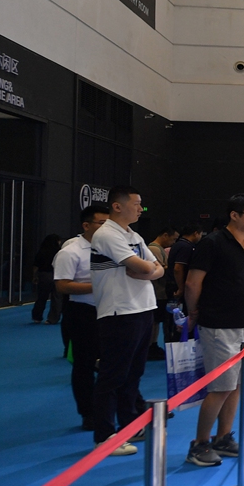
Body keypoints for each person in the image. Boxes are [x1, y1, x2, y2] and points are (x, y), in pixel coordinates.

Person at [184, 193, 244, 467]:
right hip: (219, 324)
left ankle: (223, 437)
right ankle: (200, 443)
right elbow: (193, 283)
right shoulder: (213, 243)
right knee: (220, 387)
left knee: (239, 385)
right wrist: (194, 312)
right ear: (234, 215)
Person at [89, 186, 164, 455]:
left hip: (142, 309)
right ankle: (105, 435)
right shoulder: (107, 234)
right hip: (119, 312)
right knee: (113, 375)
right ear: (118, 206)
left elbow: (157, 267)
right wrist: (148, 270)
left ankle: (130, 424)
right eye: (136, 203)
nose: (140, 208)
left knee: (134, 373)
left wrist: (147, 271)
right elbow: (146, 267)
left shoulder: (133, 234)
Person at [54, 204, 109, 430]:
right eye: (102, 224)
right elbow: (62, 286)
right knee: (84, 365)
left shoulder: (113, 247)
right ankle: (88, 412)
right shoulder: (70, 251)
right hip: (83, 313)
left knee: (116, 362)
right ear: (86, 225)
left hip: (111, 311)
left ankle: (127, 405)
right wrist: (96, 287)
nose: (107, 229)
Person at [147, 227, 179, 358]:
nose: (173, 242)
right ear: (165, 235)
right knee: (154, 321)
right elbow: (158, 269)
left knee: (157, 321)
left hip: (160, 291)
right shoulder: (154, 249)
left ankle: (153, 345)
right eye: (173, 239)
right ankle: (151, 346)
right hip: (157, 290)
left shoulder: (158, 249)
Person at [169, 225, 204, 308]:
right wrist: (181, 288)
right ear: (196, 233)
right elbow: (178, 268)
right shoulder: (186, 247)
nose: (200, 237)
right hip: (177, 284)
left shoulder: (178, 244)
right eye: (200, 234)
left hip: (172, 282)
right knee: (179, 314)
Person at [31, 234, 63, 324]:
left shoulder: (42, 251)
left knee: (41, 297)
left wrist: (34, 276)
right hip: (57, 275)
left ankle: (37, 317)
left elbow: (36, 265)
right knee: (57, 298)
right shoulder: (59, 252)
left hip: (44, 275)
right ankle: (53, 319)